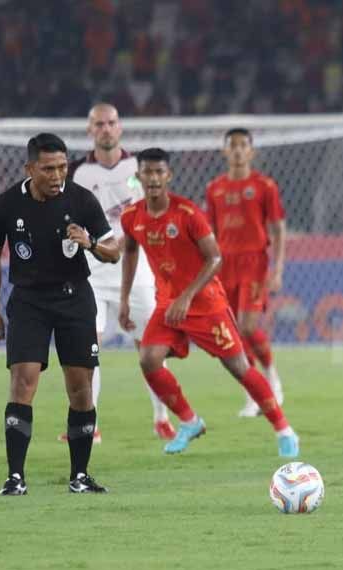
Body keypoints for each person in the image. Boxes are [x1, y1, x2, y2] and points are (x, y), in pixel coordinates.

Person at [119, 148, 299, 457]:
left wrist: (187, 297)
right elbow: (130, 252)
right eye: (147, 172)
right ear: (138, 177)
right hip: (168, 305)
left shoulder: (187, 213)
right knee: (148, 359)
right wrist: (124, 297)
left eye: (159, 172)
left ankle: (284, 429)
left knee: (239, 368)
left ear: (168, 176)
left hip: (205, 304)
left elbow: (215, 258)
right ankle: (190, 422)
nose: (153, 178)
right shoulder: (131, 217)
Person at [0, 133, 120, 495]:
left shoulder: (81, 199)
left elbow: (113, 250)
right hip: (29, 302)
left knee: (81, 389)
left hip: (75, 300)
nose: (58, 175)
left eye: (62, 167)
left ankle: (80, 476)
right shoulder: (8, 203)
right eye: (48, 169)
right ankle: (15, 477)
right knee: (23, 381)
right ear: (30, 168)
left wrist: (89, 242)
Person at [67, 102, 173, 443]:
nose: (106, 129)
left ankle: (162, 418)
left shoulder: (140, 169)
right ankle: (89, 426)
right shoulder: (76, 173)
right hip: (92, 273)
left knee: (150, 348)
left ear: (120, 127)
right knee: (88, 348)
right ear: (90, 130)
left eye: (111, 123)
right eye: (99, 124)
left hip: (136, 270)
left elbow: (158, 212)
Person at [204, 128, 287, 417]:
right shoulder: (214, 188)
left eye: (243, 145)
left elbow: (278, 228)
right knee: (235, 335)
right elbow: (209, 232)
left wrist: (278, 268)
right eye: (233, 145)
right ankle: (254, 396)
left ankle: (273, 381)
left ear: (251, 151)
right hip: (224, 266)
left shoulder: (265, 186)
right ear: (225, 151)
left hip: (254, 263)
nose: (238, 150)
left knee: (248, 327)